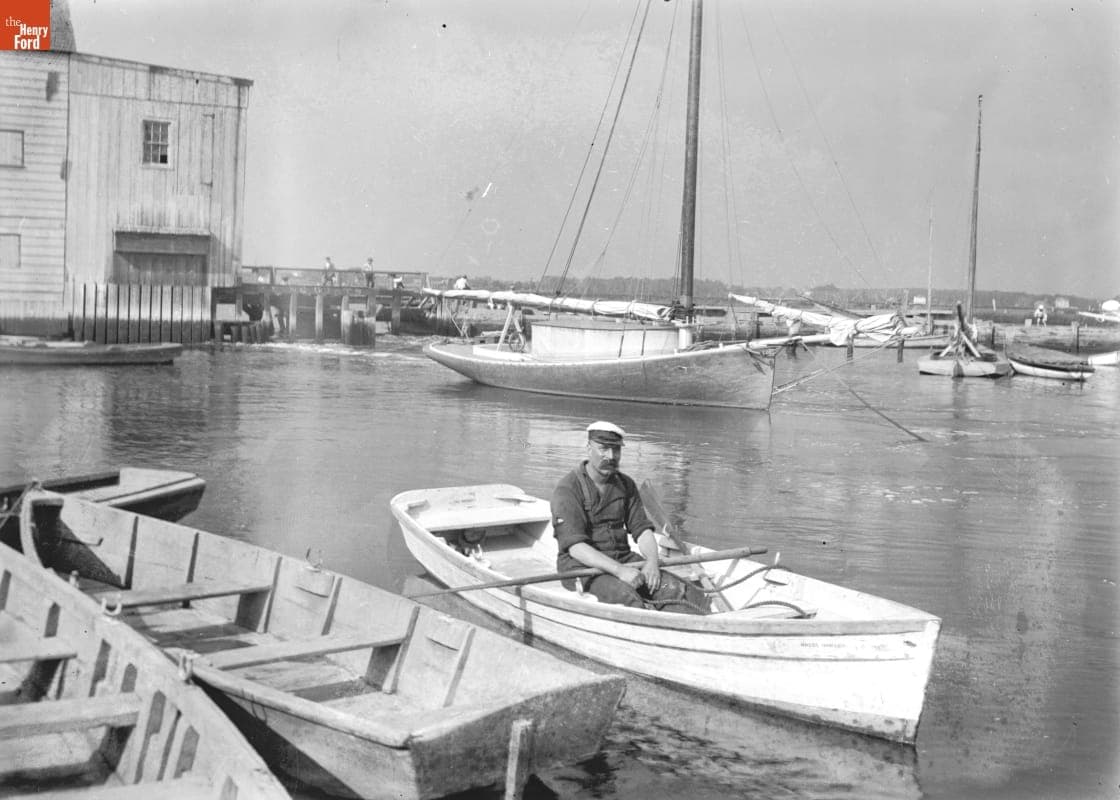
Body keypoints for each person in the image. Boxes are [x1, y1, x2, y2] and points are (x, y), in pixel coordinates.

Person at [550, 421, 708, 614]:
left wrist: (651, 561)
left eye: (616, 450)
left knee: (677, 589)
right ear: (588, 448)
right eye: (603, 449)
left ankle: (686, 629)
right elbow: (576, 548)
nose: (610, 456)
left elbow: (642, 531)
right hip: (580, 568)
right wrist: (619, 571)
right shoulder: (568, 488)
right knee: (627, 597)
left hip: (624, 560)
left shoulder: (626, 485)